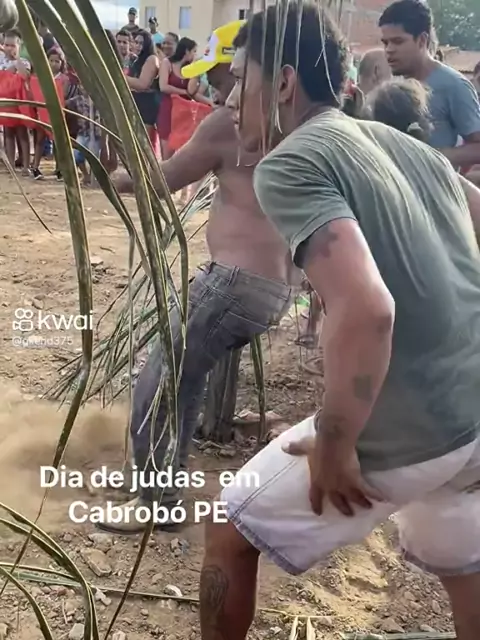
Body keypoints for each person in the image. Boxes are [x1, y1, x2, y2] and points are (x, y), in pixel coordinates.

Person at [198, 4, 480, 640]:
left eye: (239, 79)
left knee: (229, 529)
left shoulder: (292, 161)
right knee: (465, 567)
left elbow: (368, 308)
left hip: (412, 425)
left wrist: (335, 439)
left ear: (284, 83)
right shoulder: (410, 150)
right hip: (471, 412)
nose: (228, 99)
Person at [100, 20, 300, 535]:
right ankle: (162, 487)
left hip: (233, 284)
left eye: (224, 75)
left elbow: (162, 180)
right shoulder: (300, 127)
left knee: (159, 381)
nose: (214, 86)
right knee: (186, 380)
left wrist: (112, 175)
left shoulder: (225, 126)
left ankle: (155, 501)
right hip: (277, 291)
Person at [379, 0, 480, 170]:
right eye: (385, 43)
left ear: (422, 40)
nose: (389, 49)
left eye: (398, 41)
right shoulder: (390, 85)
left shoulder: (454, 85)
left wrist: (434, 156)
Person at [157, 36, 197, 159]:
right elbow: (163, 86)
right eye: (194, 51)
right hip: (168, 109)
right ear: (187, 51)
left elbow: (192, 91)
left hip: (184, 112)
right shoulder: (167, 63)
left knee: (183, 153)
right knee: (166, 153)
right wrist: (184, 92)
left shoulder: (190, 68)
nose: (195, 55)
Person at [0, 29, 31, 176]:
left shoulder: (23, 61)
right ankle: (11, 165)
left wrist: (16, 60)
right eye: (6, 45)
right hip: (5, 102)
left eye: (12, 45)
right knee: (8, 134)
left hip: (19, 103)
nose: (9, 48)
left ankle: (26, 166)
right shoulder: (1, 61)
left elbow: (25, 75)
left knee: (22, 133)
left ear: (19, 45)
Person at [126, 29, 160, 142]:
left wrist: (121, 77)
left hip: (147, 105)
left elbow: (143, 84)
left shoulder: (151, 59)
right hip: (137, 102)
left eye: (141, 43)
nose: (138, 46)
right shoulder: (137, 59)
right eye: (136, 42)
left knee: (143, 142)